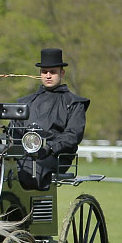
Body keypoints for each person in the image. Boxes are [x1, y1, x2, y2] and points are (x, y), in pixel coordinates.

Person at [12, 48, 90, 190]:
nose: (48, 76)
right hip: (25, 155)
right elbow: (14, 131)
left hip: (56, 157)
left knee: (27, 169)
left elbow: (73, 135)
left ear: (62, 73)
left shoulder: (74, 103)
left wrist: (49, 147)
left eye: (53, 72)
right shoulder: (26, 103)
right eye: (44, 72)